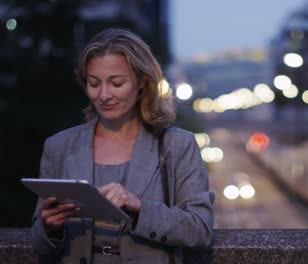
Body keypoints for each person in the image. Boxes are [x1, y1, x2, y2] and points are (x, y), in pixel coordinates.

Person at [30, 28, 214, 264]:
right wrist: (50, 226)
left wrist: (139, 207)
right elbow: (38, 242)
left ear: (142, 84)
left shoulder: (177, 145)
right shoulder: (59, 146)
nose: (103, 95)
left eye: (116, 83)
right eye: (94, 83)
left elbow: (199, 230)